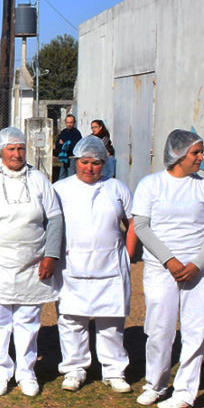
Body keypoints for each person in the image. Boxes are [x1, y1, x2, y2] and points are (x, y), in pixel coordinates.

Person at [131, 129, 204, 408]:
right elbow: (142, 226)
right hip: (162, 269)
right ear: (178, 155)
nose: (200, 158)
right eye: (195, 153)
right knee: (160, 328)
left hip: (198, 270)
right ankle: (155, 384)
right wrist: (169, 260)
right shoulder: (151, 185)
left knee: (195, 331)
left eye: (200, 152)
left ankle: (185, 392)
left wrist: (197, 263)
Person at [0, 128, 61, 396]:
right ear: (0, 152)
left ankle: (26, 372)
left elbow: (54, 219)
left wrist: (51, 254)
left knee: (28, 320)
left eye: (20, 149)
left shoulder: (39, 180)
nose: (17, 154)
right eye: (11, 149)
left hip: (32, 263)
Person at [53, 135, 136, 393]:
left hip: (110, 266)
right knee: (71, 320)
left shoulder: (116, 188)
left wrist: (129, 255)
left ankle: (113, 371)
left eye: (96, 163)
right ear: (76, 161)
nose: (90, 168)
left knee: (111, 323)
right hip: (72, 265)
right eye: (85, 162)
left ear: (104, 163)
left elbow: (133, 222)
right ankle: (74, 369)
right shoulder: (60, 189)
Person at [54, 114, 82, 181]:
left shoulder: (76, 133)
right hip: (64, 158)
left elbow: (75, 147)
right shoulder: (63, 132)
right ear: (65, 122)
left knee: (70, 178)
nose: (69, 124)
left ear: (74, 123)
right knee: (62, 177)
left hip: (72, 158)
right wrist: (62, 144)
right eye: (67, 122)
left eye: (71, 122)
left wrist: (64, 144)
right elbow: (57, 145)